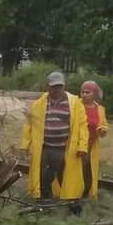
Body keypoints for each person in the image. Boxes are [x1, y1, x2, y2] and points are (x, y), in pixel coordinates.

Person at [20, 70, 88, 208]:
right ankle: (45, 202)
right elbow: (29, 125)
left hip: (65, 148)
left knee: (68, 177)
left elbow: (82, 125)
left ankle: (73, 205)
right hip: (45, 147)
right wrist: (25, 145)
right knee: (44, 176)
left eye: (59, 86)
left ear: (64, 86)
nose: (57, 89)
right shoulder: (39, 104)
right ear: (48, 86)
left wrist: (82, 146)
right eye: (54, 86)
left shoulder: (74, 103)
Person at [80, 80, 109, 199]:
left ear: (94, 94)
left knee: (88, 174)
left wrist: (102, 129)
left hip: (91, 146)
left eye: (87, 92)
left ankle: (84, 196)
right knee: (76, 173)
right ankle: (72, 196)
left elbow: (103, 125)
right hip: (76, 144)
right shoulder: (76, 105)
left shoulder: (99, 109)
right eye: (82, 92)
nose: (84, 94)